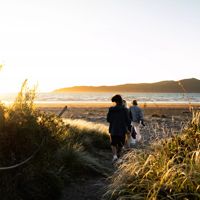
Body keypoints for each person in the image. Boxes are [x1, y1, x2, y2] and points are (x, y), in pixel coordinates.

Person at [107, 95, 131, 162]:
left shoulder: (111, 109)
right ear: (121, 101)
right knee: (121, 143)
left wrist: (114, 120)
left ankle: (114, 156)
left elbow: (108, 120)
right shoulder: (125, 110)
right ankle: (118, 156)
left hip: (113, 129)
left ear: (115, 102)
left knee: (113, 143)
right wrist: (128, 129)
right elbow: (128, 121)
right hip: (122, 129)